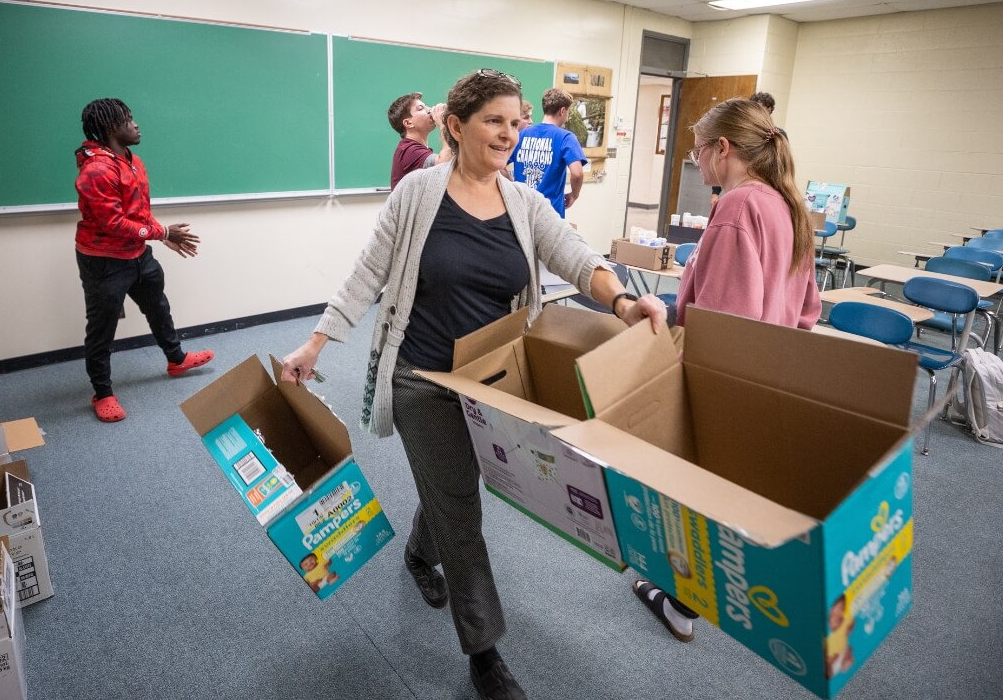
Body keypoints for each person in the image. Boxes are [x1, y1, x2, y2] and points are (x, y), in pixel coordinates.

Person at [281, 70, 667, 700]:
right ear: (456, 127)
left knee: (455, 486)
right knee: (463, 509)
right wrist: (317, 342)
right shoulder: (417, 194)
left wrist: (624, 302)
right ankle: (485, 652)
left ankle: (415, 553)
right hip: (422, 379)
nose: (509, 134)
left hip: (492, 382)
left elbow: (574, 253)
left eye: (516, 122)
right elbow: (367, 274)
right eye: (495, 121)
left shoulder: (523, 203)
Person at [632, 96, 821, 640]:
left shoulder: (739, 206)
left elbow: (721, 320)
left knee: (695, 487)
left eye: (697, 151)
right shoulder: (788, 205)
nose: (696, 162)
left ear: (724, 148)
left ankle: (682, 604)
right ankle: (709, 591)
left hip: (726, 377)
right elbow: (807, 311)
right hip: (770, 373)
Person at [74, 98, 215, 423]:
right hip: (103, 261)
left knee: (158, 306)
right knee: (101, 328)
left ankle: (176, 359)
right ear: (111, 128)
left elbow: (137, 212)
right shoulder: (96, 170)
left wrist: (157, 234)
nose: (136, 124)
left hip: (138, 253)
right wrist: (163, 232)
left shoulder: (132, 160)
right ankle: (103, 392)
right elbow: (112, 223)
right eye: (128, 120)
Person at [511, 88, 585, 216]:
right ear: (562, 111)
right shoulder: (566, 137)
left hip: (521, 211)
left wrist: (511, 184)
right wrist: (574, 195)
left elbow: (499, 167)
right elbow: (577, 173)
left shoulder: (521, 134)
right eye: (567, 112)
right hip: (550, 214)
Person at [709, 91, 786, 208]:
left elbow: (781, 170)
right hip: (740, 188)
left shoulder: (778, 136)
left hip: (764, 192)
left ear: (769, 110)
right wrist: (715, 192)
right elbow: (726, 162)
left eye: (760, 109)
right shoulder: (742, 134)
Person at [388, 92, 451, 190]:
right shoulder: (409, 151)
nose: (430, 110)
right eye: (421, 108)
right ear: (408, 123)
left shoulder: (418, 149)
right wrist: (443, 125)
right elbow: (445, 163)